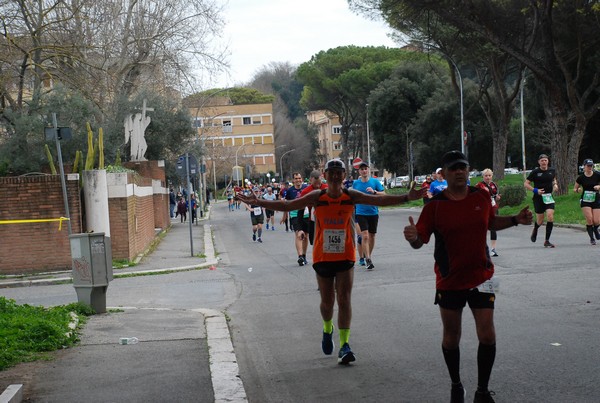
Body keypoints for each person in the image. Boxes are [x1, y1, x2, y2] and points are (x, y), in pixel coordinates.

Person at [237, 158, 425, 365]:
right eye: (331, 172)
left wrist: (407, 197)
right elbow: (287, 204)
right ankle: (328, 328)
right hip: (322, 256)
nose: (335, 175)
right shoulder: (318, 197)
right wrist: (259, 202)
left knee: (344, 299)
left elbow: (378, 201)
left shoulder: (350, 196)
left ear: (344, 176)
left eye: (339, 172)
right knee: (327, 303)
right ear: (325, 175)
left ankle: (345, 345)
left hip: (345, 255)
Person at [403, 150, 532, 403]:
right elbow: (420, 242)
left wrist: (516, 220)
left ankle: (482, 391)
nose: (460, 172)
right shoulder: (435, 206)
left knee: (488, 335)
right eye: (454, 168)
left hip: (482, 276)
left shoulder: (481, 196)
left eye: (463, 167)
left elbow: (491, 223)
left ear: (468, 169)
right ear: (445, 174)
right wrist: (413, 237)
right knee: (452, 338)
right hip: (450, 280)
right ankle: (456, 384)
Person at [352, 159, 385, 270]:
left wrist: (374, 192)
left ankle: (368, 255)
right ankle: (368, 259)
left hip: (373, 212)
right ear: (359, 172)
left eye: (366, 169)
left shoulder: (375, 182)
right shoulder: (356, 183)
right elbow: (352, 196)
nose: (364, 171)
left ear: (369, 170)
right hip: (361, 212)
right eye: (362, 169)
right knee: (364, 235)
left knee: (372, 236)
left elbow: (384, 194)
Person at [524, 154, 559, 247]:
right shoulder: (535, 172)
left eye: (545, 160)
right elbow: (526, 184)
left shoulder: (552, 170)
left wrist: (555, 184)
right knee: (540, 220)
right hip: (538, 198)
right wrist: (536, 190)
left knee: (550, 216)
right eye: (542, 160)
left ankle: (547, 240)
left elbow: (554, 179)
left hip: (548, 197)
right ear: (539, 162)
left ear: (548, 161)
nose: (544, 162)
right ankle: (535, 229)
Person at [281, 172, 309, 266]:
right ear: (293, 180)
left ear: (302, 179)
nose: (298, 180)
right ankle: (300, 256)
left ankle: (304, 255)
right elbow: (286, 205)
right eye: (296, 178)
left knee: (305, 236)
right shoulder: (290, 191)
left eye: (299, 178)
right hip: (295, 214)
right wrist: (284, 216)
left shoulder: (306, 188)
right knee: (298, 234)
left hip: (306, 214)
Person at [573, 159, 600, 245]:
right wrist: (578, 190)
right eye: (588, 166)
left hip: (596, 198)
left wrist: (598, 186)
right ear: (584, 166)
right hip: (585, 200)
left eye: (591, 166)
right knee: (589, 219)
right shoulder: (581, 177)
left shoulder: (597, 175)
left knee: (596, 221)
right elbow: (575, 189)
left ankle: (595, 229)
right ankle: (592, 238)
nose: (590, 167)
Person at [475, 169, 501, 256]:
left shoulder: (494, 185)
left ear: (492, 176)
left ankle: (493, 249)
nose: (488, 177)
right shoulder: (479, 185)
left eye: (489, 175)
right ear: (483, 176)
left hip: (493, 207)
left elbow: (496, 195)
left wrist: (497, 198)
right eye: (486, 176)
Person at [300, 170, 328, 245]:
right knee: (314, 242)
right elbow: (300, 210)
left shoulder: (327, 189)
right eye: (315, 184)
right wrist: (300, 228)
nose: (318, 186)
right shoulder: (305, 192)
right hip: (312, 221)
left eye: (319, 183)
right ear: (310, 180)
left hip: (327, 220)